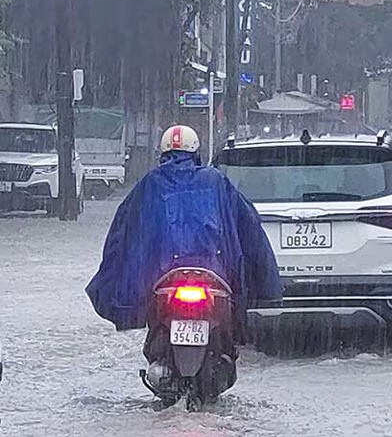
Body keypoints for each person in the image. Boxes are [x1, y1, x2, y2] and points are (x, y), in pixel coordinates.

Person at [85, 126, 282, 356]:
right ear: (196, 151)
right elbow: (250, 230)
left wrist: (114, 287)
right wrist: (265, 285)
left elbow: (122, 234)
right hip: (214, 275)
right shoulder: (216, 181)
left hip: (164, 276)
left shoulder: (150, 184)